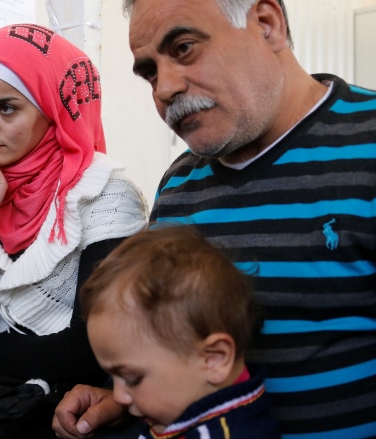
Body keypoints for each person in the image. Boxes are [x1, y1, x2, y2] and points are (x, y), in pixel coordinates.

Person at [52, 0, 376, 437]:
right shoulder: (180, 186)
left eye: (184, 48)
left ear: (266, 24)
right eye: (149, 72)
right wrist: (123, 392)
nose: (164, 88)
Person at [0, 23, 147, 433]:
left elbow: (88, 350)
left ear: (53, 108)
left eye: (6, 107)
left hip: (61, 418)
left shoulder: (105, 196)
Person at [80, 225, 280, 438]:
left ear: (214, 358)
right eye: (113, 377)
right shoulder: (180, 412)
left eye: (133, 378)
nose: (119, 397)